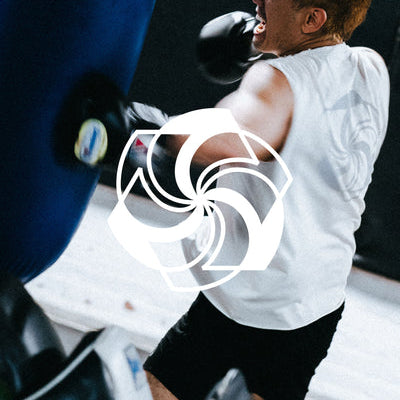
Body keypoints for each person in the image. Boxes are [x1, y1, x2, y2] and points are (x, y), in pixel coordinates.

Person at [143, 0, 390, 399]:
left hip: (247, 298)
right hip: (317, 300)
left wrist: (156, 130)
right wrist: (272, 42)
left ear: (313, 19)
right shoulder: (370, 68)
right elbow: (312, 94)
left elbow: (235, 135)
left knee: (161, 386)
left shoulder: (274, 79)